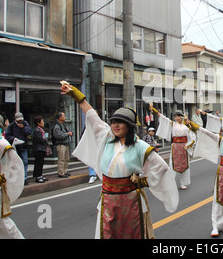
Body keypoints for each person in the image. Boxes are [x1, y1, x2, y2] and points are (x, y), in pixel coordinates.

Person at [60, 81, 178, 239]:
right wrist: (74, 93)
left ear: (129, 126)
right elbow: (92, 116)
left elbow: (162, 168)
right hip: (108, 201)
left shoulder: (140, 146)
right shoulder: (107, 138)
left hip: (131, 201)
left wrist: (142, 182)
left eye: (120, 122)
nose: (115, 125)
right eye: (113, 122)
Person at [152, 106, 196, 190]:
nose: (176, 118)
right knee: (172, 165)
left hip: (184, 147)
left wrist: (189, 145)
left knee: (185, 165)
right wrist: (155, 111)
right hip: (175, 146)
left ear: (181, 117)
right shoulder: (172, 124)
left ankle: (183, 183)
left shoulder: (187, 126)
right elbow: (163, 118)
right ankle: (170, 183)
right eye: (175, 116)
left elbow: (193, 136)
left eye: (178, 116)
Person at [5, 112, 32, 184]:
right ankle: (17, 178)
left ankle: (24, 178)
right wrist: (13, 139)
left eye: (21, 120)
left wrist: (23, 128)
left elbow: (29, 132)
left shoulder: (25, 124)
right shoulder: (11, 126)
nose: (20, 121)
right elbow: (7, 135)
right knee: (16, 163)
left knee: (25, 162)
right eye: (18, 120)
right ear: (15, 119)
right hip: (15, 147)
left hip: (23, 146)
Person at [52, 112, 72, 178]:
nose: (65, 117)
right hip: (61, 145)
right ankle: (61, 172)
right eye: (63, 115)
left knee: (66, 159)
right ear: (60, 117)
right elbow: (58, 136)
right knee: (61, 159)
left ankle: (65, 171)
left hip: (66, 144)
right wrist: (67, 134)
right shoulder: (57, 126)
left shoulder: (64, 124)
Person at [32, 116, 50, 183]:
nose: (43, 123)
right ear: (38, 123)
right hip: (38, 149)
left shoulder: (41, 130)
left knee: (41, 163)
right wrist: (45, 139)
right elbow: (41, 140)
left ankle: (40, 175)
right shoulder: (37, 130)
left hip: (42, 148)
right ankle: (38, 176)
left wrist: (46, 135)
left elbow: (45, 138)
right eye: (42, 121)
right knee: (38, 163)